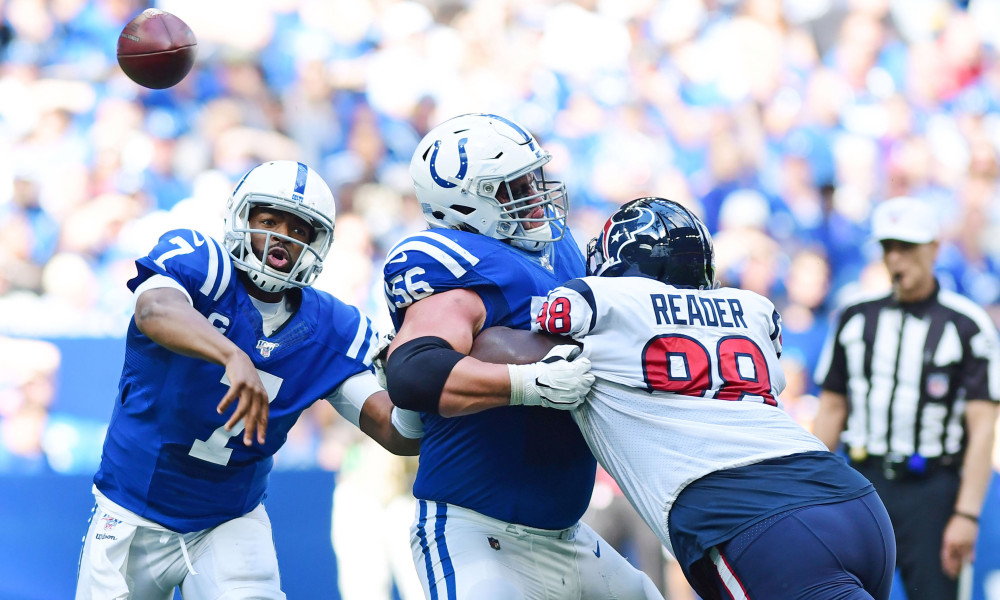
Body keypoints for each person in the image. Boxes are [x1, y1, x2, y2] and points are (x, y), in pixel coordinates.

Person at [472, 196, 897, 599]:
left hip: (757, 522)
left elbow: (495, 343)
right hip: (853, 502)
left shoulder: (604, 302)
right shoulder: (751, 308)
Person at [75, 160, 423, 600]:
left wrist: (415, 388)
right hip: (129, 511)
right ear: (241, 219)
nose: (282, 238)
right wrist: (230, 354)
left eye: (299, 230)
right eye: (269, 221)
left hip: (229, 520)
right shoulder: (204, 265)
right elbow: (153, 311)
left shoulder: (330, 326)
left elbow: (396, 431)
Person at [381, 113, 662, 599]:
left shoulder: (561, 251)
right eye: (513, 187)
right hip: (477, 532)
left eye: (533, 177)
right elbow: (413, 369)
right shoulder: (458, 263)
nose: (534, 195)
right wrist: (526, 383)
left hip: (566, 533)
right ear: (463, 205)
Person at [813, 195, 1000, 600]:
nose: (896, 260)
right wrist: (811, 491)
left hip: (932, 489)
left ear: (933, 248)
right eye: (888, 248)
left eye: (907, 248)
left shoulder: (967, 325)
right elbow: (832, 408)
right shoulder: (855, 316)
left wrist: (966, 513)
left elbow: (983, 427)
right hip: (862, 481)